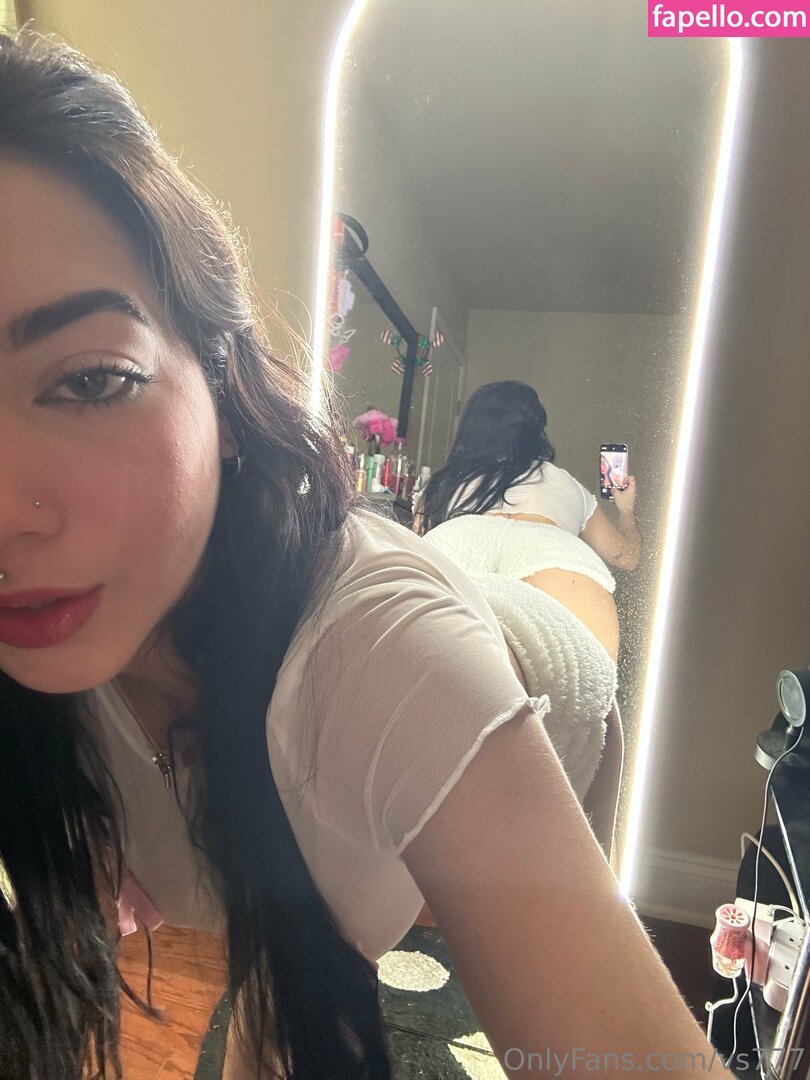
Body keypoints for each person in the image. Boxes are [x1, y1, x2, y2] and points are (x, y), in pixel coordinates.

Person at [0, 31, 714, 1080]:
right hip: (476, 572)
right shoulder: (553, 490)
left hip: (551, 640)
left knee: (356, 906)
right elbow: (622, 546)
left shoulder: (382, 656)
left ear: (228, 395)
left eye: (90, 379)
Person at [415, 382, 642, 843]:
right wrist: (626, 511)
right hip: (554, 558)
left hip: (456, 547)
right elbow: (626, 556)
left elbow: (413, 540)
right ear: (537, 429)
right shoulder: (567, 484)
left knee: (428, 736)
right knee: (590, 736)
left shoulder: (444, 484)